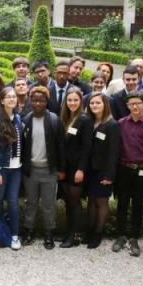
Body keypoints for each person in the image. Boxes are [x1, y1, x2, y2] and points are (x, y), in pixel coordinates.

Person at [112, 92, 143, 257]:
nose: (135, 106)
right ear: (127, 106)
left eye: (138, 103)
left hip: (142, 169)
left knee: (138, 204)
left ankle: (134, 237)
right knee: (122, 202)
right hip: (124, 168)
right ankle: (121, 235)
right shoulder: (121, 123)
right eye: (132, 104)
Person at [21, 85, 65, 249]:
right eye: (34, 100)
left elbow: (61, 147)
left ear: (47, 101)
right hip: (30, 170)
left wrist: (61, 169)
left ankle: (48, 234)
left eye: (41, 100)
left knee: (48, 204)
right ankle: (29, 231)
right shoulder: (25, 120)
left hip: (49, 171)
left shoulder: (54, 120)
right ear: (30, 101)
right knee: (30, 203)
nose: (38, 103)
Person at [0, 87, 24, 249]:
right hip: (2, 168)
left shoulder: (18, 119)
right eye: (8, 97)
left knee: (13, 201)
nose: (11, 99)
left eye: (13, 97)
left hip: (17, 169)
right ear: (2, 100)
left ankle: (15, 235)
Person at [85, 92, 121, 249]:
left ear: (105, 104)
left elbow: (114, 152)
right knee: (91, 201)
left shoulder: (112, 125)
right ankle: (90, 230)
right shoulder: (89, 121)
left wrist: (110, 175)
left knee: (101, 202)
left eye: (97, 103)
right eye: (92, 103)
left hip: (103, 171)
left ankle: (98, 233)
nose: (94, 106)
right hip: (90, 170)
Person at [59, 87, 92, 248]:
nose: (72, 103)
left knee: (75, 202)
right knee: (68, 202)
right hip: (67, 167)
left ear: (81, 101)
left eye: (75, 100)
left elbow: (87, 148)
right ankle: (68, 232)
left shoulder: (84, 120)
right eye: (69, 100)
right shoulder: (66, 118)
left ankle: (75, 235)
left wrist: (81, 169)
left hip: (77, 168)